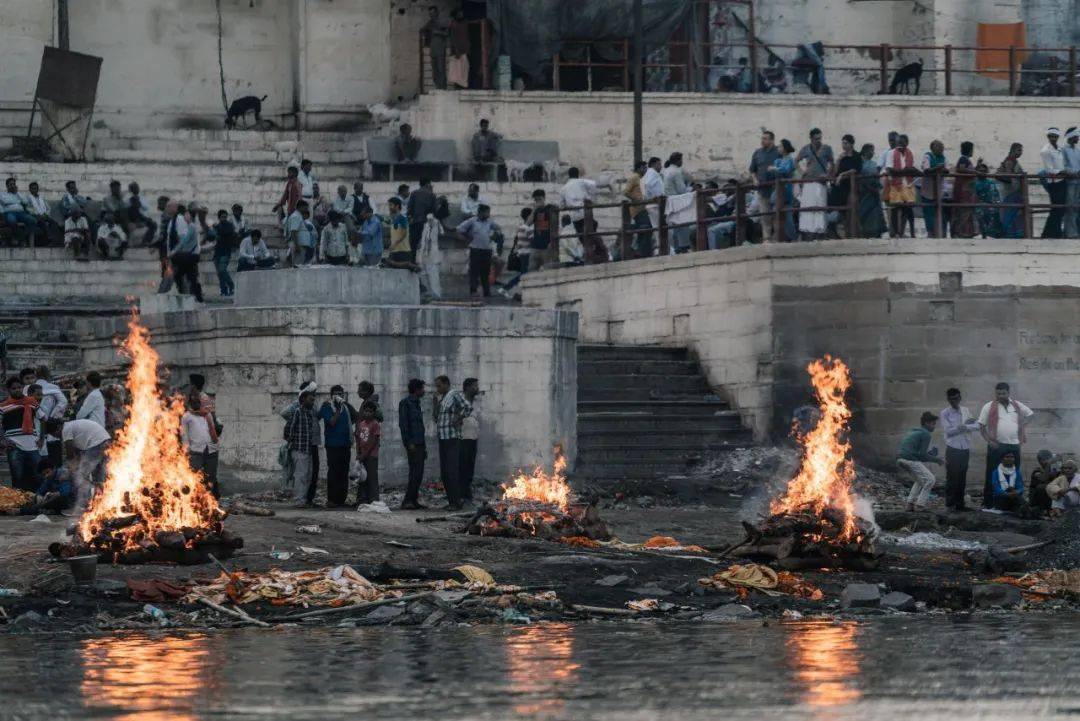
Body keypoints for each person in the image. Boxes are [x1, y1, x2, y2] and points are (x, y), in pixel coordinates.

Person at [978, 382, 1034, 508]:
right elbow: (981, 426)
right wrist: (989, 441)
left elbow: (1030, 415)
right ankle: (989, 503)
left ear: (1008, 393)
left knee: (1014, 473)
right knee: (992, 473)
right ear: (995, 393)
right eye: (998, 393)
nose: (1001, 396)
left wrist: (1023, 425)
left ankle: (1011, 503)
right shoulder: (988, 406)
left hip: (1014, 445)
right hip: (997, 446)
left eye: (1003, 393)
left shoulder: (1017, 405)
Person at [433, 375, 470, 510]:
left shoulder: (453, 394)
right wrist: (435, 402)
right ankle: (452, 501)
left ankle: (455, 502)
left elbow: (467, 407)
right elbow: (436, 417)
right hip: (442, 438)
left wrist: (459, 418)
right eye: (436, 386)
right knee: (444, 473)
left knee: (451, 471)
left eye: (439, 385)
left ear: (446, 384)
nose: (437, 388)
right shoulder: (441, 398)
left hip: (452, 438)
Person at [1, 376, 44, 491]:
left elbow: (43, 419)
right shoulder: (3, 405)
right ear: (8, 390)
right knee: (17, 477)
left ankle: (38, 502)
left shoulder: (32, 402)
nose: (17, 390)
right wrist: (3, 440)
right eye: (14, 388)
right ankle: (17, 505)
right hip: (14, 447)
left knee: (39, 475)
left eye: (19, 387)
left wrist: (42, 439)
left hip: (32, 446)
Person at [940, 387, 979, 511]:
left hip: (965, 447)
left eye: (956, 398)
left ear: (960, 398)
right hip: (953, 448)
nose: (954, 401)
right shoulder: (945, 413)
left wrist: (965, 426)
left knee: (962, 476)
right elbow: (948, 432)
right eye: (951, 399)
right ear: (948, 400)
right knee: (952, 477)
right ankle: (950, 505)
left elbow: (977, 425)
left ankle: (960, 504)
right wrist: (964, 426)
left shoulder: (966, 410)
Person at [897, 411, 944, 512]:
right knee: (931, 480)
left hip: (901, 459)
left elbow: (920, 455)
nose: (934, 427)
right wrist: (937, 460)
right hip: (910, 460)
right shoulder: (926, 434)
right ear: (926, 423)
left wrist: (930, 454)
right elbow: (922, 456)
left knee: (919, 480)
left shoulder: (915, 431)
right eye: (933, 424)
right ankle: (920, 505)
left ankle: (910, 504)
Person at [22, 366, 67, 467]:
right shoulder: (53, 387)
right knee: (52, 462)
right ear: (48, 375)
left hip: (33, 428)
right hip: (49, 427)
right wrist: (53, 415)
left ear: (36, 375)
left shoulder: (28, 388)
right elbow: (63, 402)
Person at [796, 128, 834, 240]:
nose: (818, 140)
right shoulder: (806, 149)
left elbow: (832, 162)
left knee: (820, 205)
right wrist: (802, 172)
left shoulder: (827, 149)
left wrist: (827, 174)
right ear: (811, 138)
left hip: (820, 181)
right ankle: (807, 231)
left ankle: (820, 231)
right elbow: (796, 160)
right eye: (816, 138)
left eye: (820, 138)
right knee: (807, 205)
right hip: (808, 181)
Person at [318, 385, 353, 507]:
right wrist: (337, 409)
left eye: (341, 393)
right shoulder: (327, 406)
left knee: (344, 472)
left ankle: (341, 500)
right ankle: (332, 499)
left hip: (345, 444)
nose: (339, 396)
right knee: (333, 472)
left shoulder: (346, 407)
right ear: (331, 395)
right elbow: (332, 422)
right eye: (336, 394)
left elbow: (356, 417)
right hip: (333, 445)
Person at [457, 204, 501, 298]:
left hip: (487, 250)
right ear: (481, 212)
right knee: (474, 272)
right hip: (475, 250)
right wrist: (467, 238)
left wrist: (495, 235)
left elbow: (498, 229)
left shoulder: (489, 222)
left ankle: (487, 292)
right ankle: (473, 291)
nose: (488, 214)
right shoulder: (472, 221)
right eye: (487, 212)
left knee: (485, 272)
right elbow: (459, 229)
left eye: (489, 212)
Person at [180, 393, 219, 498]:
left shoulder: (208, 415)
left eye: (206, 402)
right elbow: (184, 435)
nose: (206, 405)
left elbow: (212, 430)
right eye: (203, 402)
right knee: (194, 478)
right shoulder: (187, 416)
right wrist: (186, 450)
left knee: (210, 479)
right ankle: (195, 503)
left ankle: (210, 502)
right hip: (196, 452)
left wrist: (216, 444)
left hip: (211, 451)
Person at [5, 458, 74, 515]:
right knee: (34, 498)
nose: (46, 475)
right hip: (56, 503)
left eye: (48, 472)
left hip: (69, 502)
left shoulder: (63, 474)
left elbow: (65, 493)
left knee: (50, 501)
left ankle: (21, 511)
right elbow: (40, 490)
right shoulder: (49, 478)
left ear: (54, 469)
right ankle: (46, 510)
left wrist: (53, 494)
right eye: (44, 474)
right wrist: (38, 496)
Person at [284, 389, 318, 508]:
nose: (312, 402)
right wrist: (290, 441)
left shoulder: (309, 413)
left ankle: (302, 500)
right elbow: (289, 428)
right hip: (299, 449)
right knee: (300, 475)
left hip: (307, 449)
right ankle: (299, 500)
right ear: (303, 399)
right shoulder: (297, 411)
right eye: (310, 399)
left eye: (313, 400)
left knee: (307, 475)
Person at [398, 378, 427, 510]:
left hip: (420, 443)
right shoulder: (406, 403)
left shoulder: (416, 404)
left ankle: (413, 500)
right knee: (415, 473)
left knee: (418, 473)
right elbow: (404, 425)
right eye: (422, 388)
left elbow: (420, 427)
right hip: (413, 444)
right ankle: (407, 500)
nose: (424, 391)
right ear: (416, 389)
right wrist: (409, 443)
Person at [749, 131, 781, 242]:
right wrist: (755, 179)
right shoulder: (757, 153)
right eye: (762, 138)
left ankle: (777, 237)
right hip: (762, 189)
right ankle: (766, 239)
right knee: (765, 215)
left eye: (765, 138)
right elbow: (752, 170)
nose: (762, 141)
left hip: (776, 189)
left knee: (776, 215)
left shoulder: (779, 152)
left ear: (772, 140)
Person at [168, 205, 204, 302]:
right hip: (190, 256)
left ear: (191, 216)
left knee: (176, 263)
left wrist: (174, 251)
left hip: (191, 256)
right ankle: (198, 298)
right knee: (191, 276)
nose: (185, 216)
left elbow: (184, 241)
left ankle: (184, 293)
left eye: (187, 214)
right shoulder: (190, 226)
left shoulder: (192, 226)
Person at [885, 134, 917, 238]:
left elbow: (911, 168)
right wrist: (903, 171)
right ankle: (897, 233)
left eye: (902, 142)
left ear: (906, 143)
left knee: (908, 209)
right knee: (895, 209)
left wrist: (910, 171)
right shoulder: (891, 153)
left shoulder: (910, 153)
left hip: (908, 185)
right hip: (896, 184)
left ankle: (910, 233)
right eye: (898, 142)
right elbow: (889, 169)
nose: (900, 144)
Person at [829, 134, 860, 235]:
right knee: (833, 205)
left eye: (846, 143)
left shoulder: (856, 156)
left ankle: (850, 231)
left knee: (849, 209)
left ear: (851, 144)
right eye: (843, 143)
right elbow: (836, 172)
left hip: (850, 186)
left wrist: (843, 174)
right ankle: (833, 230)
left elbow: (856, 169)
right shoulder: (842, 156)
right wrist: (838, 160)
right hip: (839, 186)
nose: (843, 145)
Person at [918, 140, 950, 238]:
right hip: (928, 191)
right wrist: (937, 168)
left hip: (939, 190)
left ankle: (940, 233)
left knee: (940, 213)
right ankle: (930, 233)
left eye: (942, 147)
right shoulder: (927, 156)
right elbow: (926, 170)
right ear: (932, 148)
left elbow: (947, 171)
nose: (941, 149)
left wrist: (942, 169)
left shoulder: (944, 158)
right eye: (939, 147)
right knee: (928, 213)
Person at [1041, 127, 1067, 238]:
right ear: (1048, 137)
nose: (1053, 138)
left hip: (1062, 180)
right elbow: (1049, 170)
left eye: (1055, 136)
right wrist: (1062, 172)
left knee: (1061, 209)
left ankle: (1056, 232)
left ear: (1058, 137)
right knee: (1056, 208)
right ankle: (1048, 234)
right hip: (1054, 182)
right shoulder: (1045, 151)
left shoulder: (1059, 149)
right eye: (1051, 136)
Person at [857, 143, 887, 238]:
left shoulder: (874, 164)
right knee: (866, 211)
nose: (873, 153)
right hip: (865, 192)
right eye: (871, 150)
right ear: (865, 151)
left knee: (875, 213)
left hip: (874, 191)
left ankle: (877, 232)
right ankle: (865, 232)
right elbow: (861, 178)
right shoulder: (860, 163)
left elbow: (877, 177)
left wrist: (877, 187)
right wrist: (869, 187)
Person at [624, 160, 653, 258]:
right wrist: (637, 200)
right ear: (639, 168)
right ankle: (641, 251)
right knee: (646, 227)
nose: (645, 170)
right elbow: (626, 192)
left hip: (643, 207)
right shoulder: (634, 177)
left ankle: (641, 251)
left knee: (644, 229)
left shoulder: (641, 178)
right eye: (644, 168)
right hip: (638, 209)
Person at [354, 401, 381, 505]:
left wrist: (364, 454)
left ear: (374, 413)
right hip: (361, 456)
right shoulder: (361, 424)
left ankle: (374, 499)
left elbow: (373, 441)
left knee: (372, 478)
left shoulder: (375, 424)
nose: (368, 413)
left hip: (371, 455)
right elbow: (358, 440)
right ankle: (363, 499)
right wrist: (358, 453)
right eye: (366, 411)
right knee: (362, 478)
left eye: (370, 411)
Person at [458, 377, 480, 503]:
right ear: (467, 387)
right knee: (462, 468)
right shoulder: (460, 401)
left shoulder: (475, 402)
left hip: (473, 439)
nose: (477, 388)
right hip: (462, 439)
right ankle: (462, 495)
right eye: (474, 386)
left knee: (470, 468)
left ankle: (467, 494)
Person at [561, 167, 599, 236]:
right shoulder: (582, 181)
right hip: (585, 213)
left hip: (574, 216)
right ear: (578, 174)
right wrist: (592, 199)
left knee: (581, 235)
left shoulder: (564, 188)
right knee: (591, 233)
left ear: (569, 175)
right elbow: (593, 184)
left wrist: (567, 204)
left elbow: (561, 205)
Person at [407, 178, 437, 263]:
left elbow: (409, 210)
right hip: (427, 223)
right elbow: (434, 211)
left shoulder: (414, 193)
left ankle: (412, 263)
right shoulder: (432, 195)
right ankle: (425, 264)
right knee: (427, 246)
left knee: (413, 245)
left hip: (415, 222)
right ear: (428, 184)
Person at [773, 139, 798, 242]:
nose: (778, 148)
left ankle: (793, 238)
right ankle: (782, 236)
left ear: (785, 148)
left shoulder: (790, 160)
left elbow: (786, 170)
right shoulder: (778, 161)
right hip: (778, 190)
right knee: (777, 213)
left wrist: (775, 169)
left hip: (787, 190)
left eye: (780, 146)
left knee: (787, 215)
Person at [1, 177, 38, 245]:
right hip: (9, 212)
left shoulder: (18, 194)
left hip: (21, 213)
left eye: (13, 184)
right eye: (10, 184)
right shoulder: (2, 194)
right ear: (7, 186)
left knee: (33, 220)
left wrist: (17, 193)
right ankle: (22, 239)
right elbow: (5, 201)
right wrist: (17, 201)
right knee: (12, 221)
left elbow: (25, 202)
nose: (12, 186)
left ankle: (19, 237)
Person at [951, 143, 977, 239]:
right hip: (964, 191)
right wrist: (975, 172)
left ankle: (965, 232)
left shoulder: (966, 160)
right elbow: (961, 169)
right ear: (969, 150)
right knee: (963, 211)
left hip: (967, 190)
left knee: (967, 211)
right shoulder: (963, 159)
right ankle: (959, 232)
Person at [384, 197, 417, 271]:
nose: (389, 207)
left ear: (397, 206)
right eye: (389, 205)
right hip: (394, 251)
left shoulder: (402, 218)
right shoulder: (393, 219)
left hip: (403, 250)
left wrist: (394, 244)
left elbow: (404, 234)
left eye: (391, 205)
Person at [421, 6, 450, 89]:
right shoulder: (430, 23)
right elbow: (422, 30)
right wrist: (425, 32)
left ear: (437, 13)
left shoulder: (442, 21)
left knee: (441, 70)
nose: (431, 15)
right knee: (434, 71)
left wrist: (438, 32)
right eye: (430, 14)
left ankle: (443, 88)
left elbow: (447, 33)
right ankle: (438, 87)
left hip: (440, 49)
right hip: (433, 50)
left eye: (433, 13)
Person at [974, 161, 1004, 238]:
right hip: (979, 207)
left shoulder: (991, 183)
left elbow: (996, 196)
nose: (983, 173)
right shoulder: (975, 183)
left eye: (984, 171)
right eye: (981, 171)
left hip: (991, 207)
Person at [211, 209, 238, 296]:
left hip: (226, 252)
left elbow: (225, 232)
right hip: (217, 252)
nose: (224, 218)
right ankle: (223, 290)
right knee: (219, 273)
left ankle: (231, 285)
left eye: (225, 217)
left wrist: (216, 228)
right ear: (219, 218)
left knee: (222, 270)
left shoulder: (229, 225)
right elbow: (212, 236)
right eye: (222, 217)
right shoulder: (217, 226)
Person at [418, 210, 443, 300]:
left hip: (433, 254)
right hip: (423, 253)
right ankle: (428, 295)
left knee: (433, 275)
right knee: (424, 275)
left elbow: (441, 232)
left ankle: (436, 295)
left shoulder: (436, 223)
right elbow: (423, 240)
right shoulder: (425, 226)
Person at [529, 189, 557, 271]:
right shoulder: (535, 211)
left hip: (546, 246)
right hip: (535, 246)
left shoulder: (550, 209)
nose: (537, 201)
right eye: (536, 200)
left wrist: (551, 242)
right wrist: (534, 209)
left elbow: (555, 226)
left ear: (544, 198)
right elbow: (528, 223)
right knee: (531, 270)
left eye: (539, 199)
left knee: (547, 270)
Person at [1029, 449, 1060, 514]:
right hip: (1036, 499)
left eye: (1046, 460)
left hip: (1051, 496)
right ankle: (1041, 507)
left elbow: (1054, 476)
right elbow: (1043, 478)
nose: (1044, 462)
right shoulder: (1037, 471)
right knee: (1041, 487)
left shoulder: (1054, 466)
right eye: (1042, 460)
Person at [285, 200, 316, 266]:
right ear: (301, 207)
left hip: (301, 245)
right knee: (297, 265)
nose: (306, 209)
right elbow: (293, 232)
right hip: (298, 245)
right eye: (306, 208)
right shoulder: (296, 216)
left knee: (299, 265)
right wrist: (297, 246)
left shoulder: (299, 216)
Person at [447, 8, 470, 89]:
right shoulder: (453, 24)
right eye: (459, 13)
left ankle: (463, 86)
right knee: (456, 71)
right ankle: (457, 87)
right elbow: (452, 38)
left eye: (462, 13)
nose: (461, 14)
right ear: (455, 15)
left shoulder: (465, 22)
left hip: (464, 49)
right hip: (456, 51)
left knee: (464, 69)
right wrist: (456, 50)